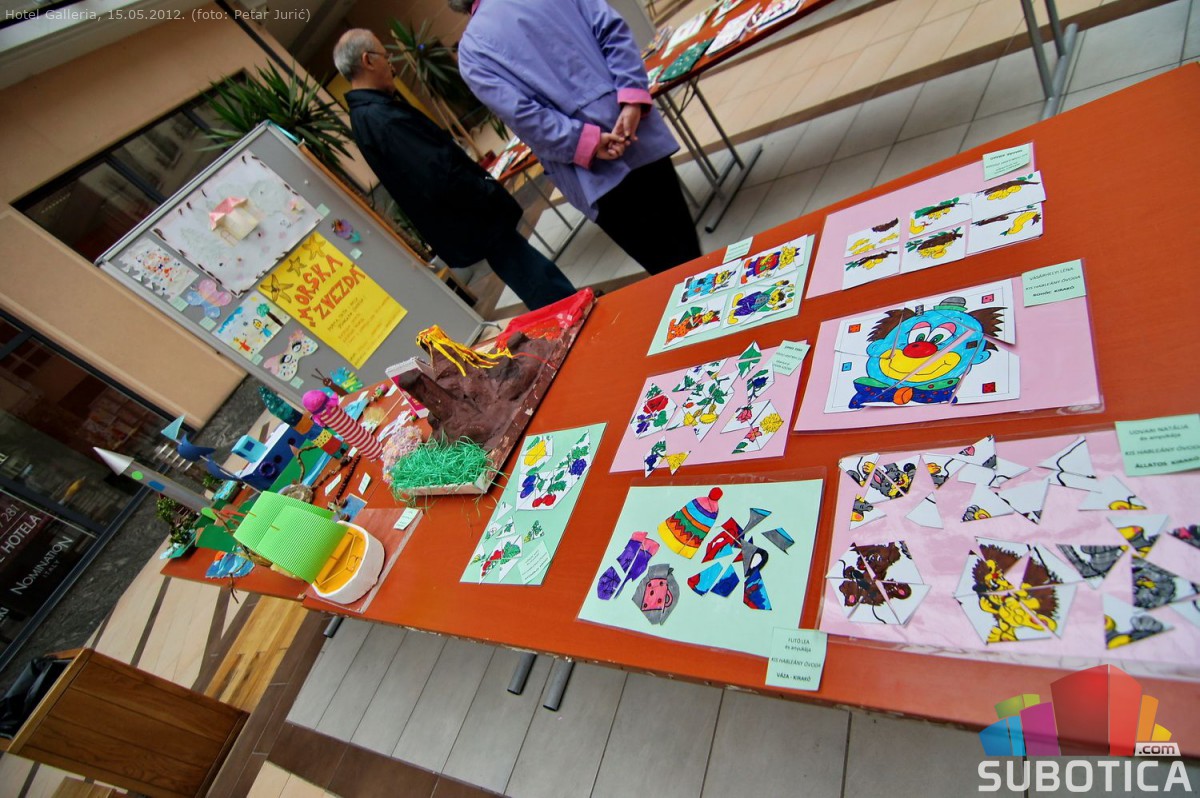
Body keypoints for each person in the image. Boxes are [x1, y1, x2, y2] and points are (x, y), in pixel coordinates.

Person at [450, 0, 702, 276]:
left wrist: (585, 141)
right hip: (633, 129)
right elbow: (612, 30)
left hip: (593, 171)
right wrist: (631, 99)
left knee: (666, 267)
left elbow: (524, 116)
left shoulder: (473, 51)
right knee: (688, 246)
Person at [332, 29, 576, 310]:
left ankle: (572, 309)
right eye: (386, 57)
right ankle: (576, 312)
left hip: (466, 219)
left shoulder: (366, 116)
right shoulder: (381, 118)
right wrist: (485, 191)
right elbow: (437, 173)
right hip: (472, 214)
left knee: (525, 270)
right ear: (368, 60)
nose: (391, 65)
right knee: (533, 275)